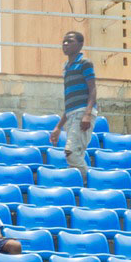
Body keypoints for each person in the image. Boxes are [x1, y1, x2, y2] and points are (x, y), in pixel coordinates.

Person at [50, 29, 97, 175]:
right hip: (72, 115)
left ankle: (87, 182)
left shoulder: (84, 63)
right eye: (64, 41)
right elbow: (70, 104)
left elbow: (93, 89)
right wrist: (58, 127)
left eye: (70, 41)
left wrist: (87, 114)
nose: (65, 44)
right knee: (75, 155)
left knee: (71, 152)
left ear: (80, 44)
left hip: (82, 114)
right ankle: (80, 188)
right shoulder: (66, 68)